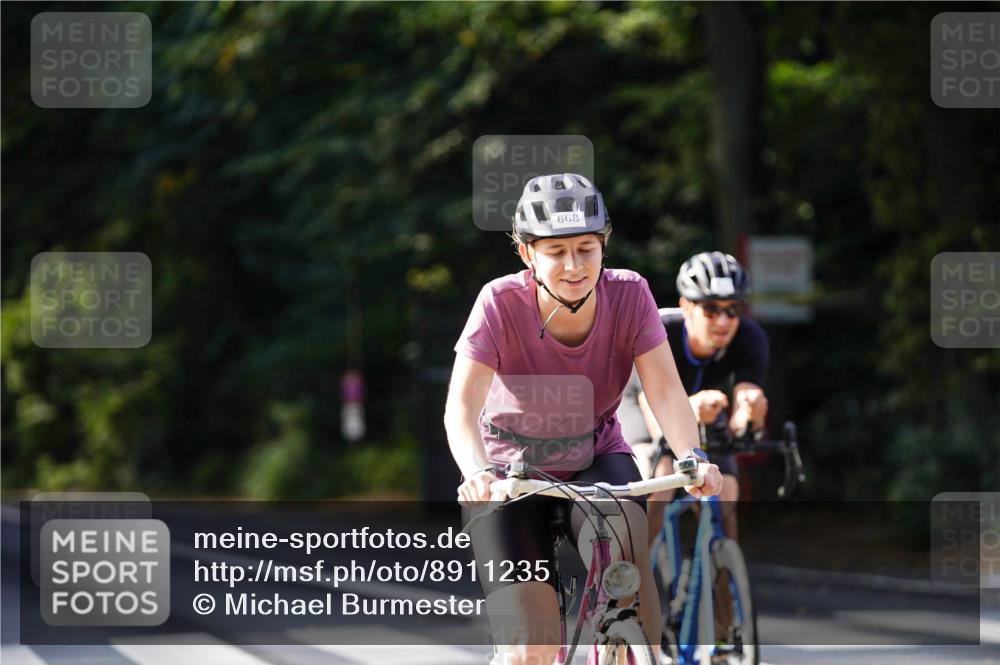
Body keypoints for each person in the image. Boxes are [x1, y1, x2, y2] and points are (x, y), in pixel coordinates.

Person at [444, 173, 723, 665]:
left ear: (603, 247)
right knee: (530, 648)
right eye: (556, 252)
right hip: (510, 474)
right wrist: (477, 472)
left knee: (635, 588)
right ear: (528, 254)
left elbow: (664, 389)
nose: (573, 266)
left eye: (586, 249)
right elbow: (461, 408)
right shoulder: (498, 303)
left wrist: (692, 455)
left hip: (596, 456)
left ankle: (632, 649)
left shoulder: (630, 295)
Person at [617, 251, 769, 544]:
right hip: (642, 399)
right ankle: (633, 572)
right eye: (711, 309)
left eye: (733, 309)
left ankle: (726, 576)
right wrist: (688, 413)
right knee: (660, 476)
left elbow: (742, 418)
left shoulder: (750, 338)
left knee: (725, 492)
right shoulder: (658, 329)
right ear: (686, 306)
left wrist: (752, 413)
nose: (723, 321)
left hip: (704, 410)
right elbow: (658, 405)